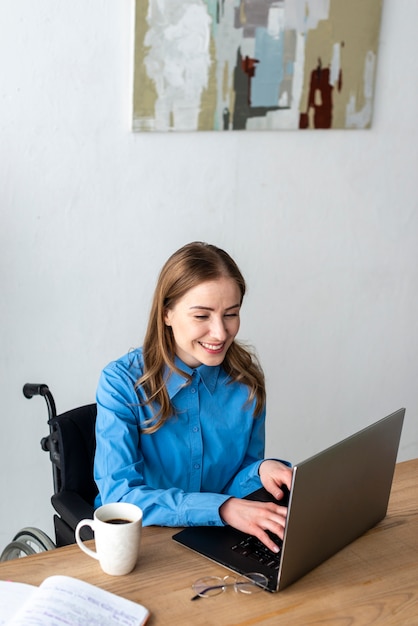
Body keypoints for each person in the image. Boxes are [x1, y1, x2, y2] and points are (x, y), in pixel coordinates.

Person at [94, 242, 292, 553]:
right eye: (202, 315)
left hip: (217, 540)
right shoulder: (121, 383)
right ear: (167, 314)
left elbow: (236, 482)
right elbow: (119, 497)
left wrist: (259, 472)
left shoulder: (246, 381)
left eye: (231, 314)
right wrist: (222, 508)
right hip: (143, 546)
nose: (220, 333)